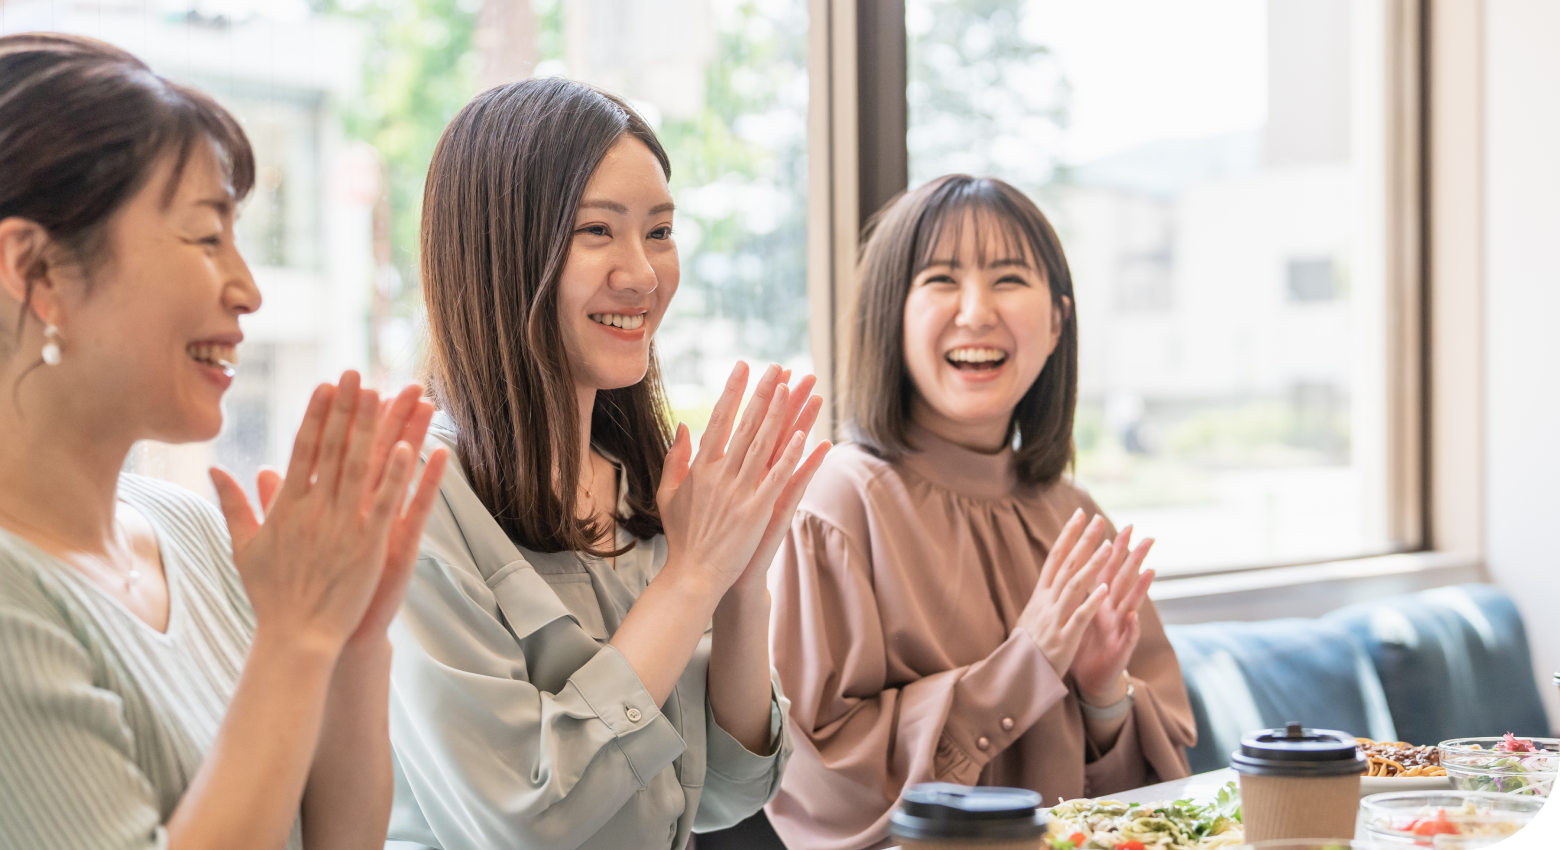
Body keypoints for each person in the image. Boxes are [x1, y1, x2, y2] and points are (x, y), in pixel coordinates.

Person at [0, 34, 449, 850]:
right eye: (208, 239)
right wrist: (297, 635)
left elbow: (340, 839)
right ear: (35, 269)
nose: (247, 290)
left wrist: (351, 639)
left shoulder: (193, 529)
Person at [384, 77, 830, 850]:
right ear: (498, 252)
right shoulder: (416, 495)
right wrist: (691, 578)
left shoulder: (641, 483)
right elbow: (527, 817)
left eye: (660, 231)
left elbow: (731, 788)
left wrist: (738, 584)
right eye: (597, 230)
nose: (644, 274)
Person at [766, 175, 1196, 850]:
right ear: (890, 315)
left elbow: (1155, 810)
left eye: (1009, 279)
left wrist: (1103, 698)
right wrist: (1026, 666)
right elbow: (819, 790)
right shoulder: (837, 506)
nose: (976, 311)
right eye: (941, 279)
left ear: (1055, 324)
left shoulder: (1074, 514)